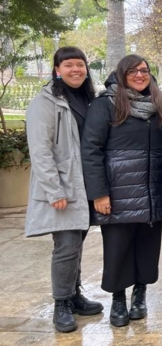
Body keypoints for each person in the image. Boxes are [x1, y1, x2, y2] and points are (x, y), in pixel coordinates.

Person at [81, 55, 162, 328]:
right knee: (117, 249)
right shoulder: (105, 104)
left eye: (144, 70)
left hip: (152, 189)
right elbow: (91, 150)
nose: (140, 75)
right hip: (118, 192)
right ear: (121, 74)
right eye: (132, 71)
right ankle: (118, 298)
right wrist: (99, 193)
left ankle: (140, 295)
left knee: (147, 248)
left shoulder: (158, 103)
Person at [25, 47, 103, 333]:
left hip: (84, 184)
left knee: (77, 244)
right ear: (57, 70)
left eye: (80, 64)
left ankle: (74, 295)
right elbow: (40, 151)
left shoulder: (89, 98)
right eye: (68, 65)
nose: (75, 70)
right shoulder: (45, 102)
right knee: (66, 246)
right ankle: (61, 304)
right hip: (63, 186)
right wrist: (54, 190)